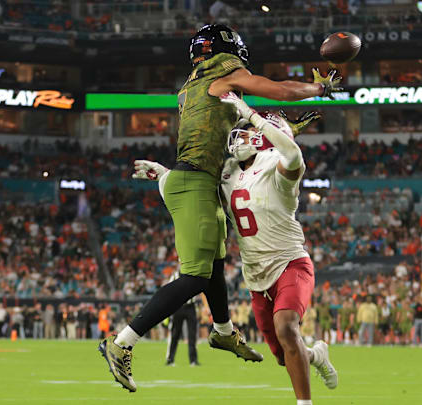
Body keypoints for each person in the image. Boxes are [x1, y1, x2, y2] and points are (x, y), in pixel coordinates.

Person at [101, 23, 343, 394]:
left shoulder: (192, 86)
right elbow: (277, 90)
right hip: (195, 182)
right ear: (227, 51)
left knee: (216, 263)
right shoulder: (225, 73)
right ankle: (122, 342)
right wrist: (319, 89)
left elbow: (229, 136)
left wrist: (284, 127)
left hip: (196, 180)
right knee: (195, 276)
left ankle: (224, 331)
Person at [134, 95, 338, 404]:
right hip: (256, 277)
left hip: (289, 264)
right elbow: (196, 193)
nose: (238, 136)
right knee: (285, 355)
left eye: (244, 130)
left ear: (262, 135)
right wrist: (164, 175)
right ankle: (316, 356)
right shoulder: (228, 173)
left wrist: (253, 116)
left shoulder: (275, 164)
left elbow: (292, 153)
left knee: (286, 328)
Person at [165, 271, 201, 366]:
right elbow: (169, 289)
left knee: (192, 334)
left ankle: (193, 360)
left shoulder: (193, 274)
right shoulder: (175, 275)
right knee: (175, 334)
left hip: (191, 307)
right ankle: (170, 359)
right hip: (178, 306)